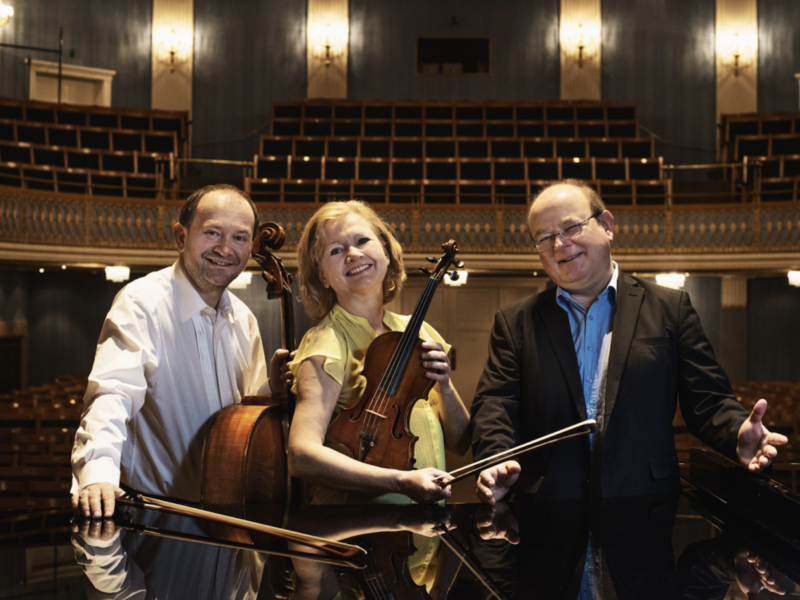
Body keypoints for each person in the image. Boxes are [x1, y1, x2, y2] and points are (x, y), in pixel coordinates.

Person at [471, 180, 788, 504]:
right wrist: (496, 457)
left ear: (606, 225)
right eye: (544, 238)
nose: (559, 244)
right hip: (547, 511)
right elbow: (495, 405)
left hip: (645, 505)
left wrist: (737, 433)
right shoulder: (513, 323)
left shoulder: (671, 309)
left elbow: (708, 400)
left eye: (571, 228)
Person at [71, 184, 292, 518]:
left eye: (240, 237)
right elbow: (112, 394)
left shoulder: (245, 320)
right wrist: (98, 474)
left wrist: (270, 389)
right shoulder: (141, 303)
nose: (225, 248)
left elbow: (244, 412)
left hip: (227, 514)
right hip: (157, 517)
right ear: (180, 236)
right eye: (213, 232)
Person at [287, 200, 470, 504]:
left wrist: (446, 387)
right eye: (336, 250)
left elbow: (461, 441)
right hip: (361, 529)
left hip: (424, 528)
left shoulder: (417, 331)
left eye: (362, 240)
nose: (353, 254)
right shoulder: (326, 343)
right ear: (322, 276)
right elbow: (302, 456)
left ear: (385, 251)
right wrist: (400, 481)